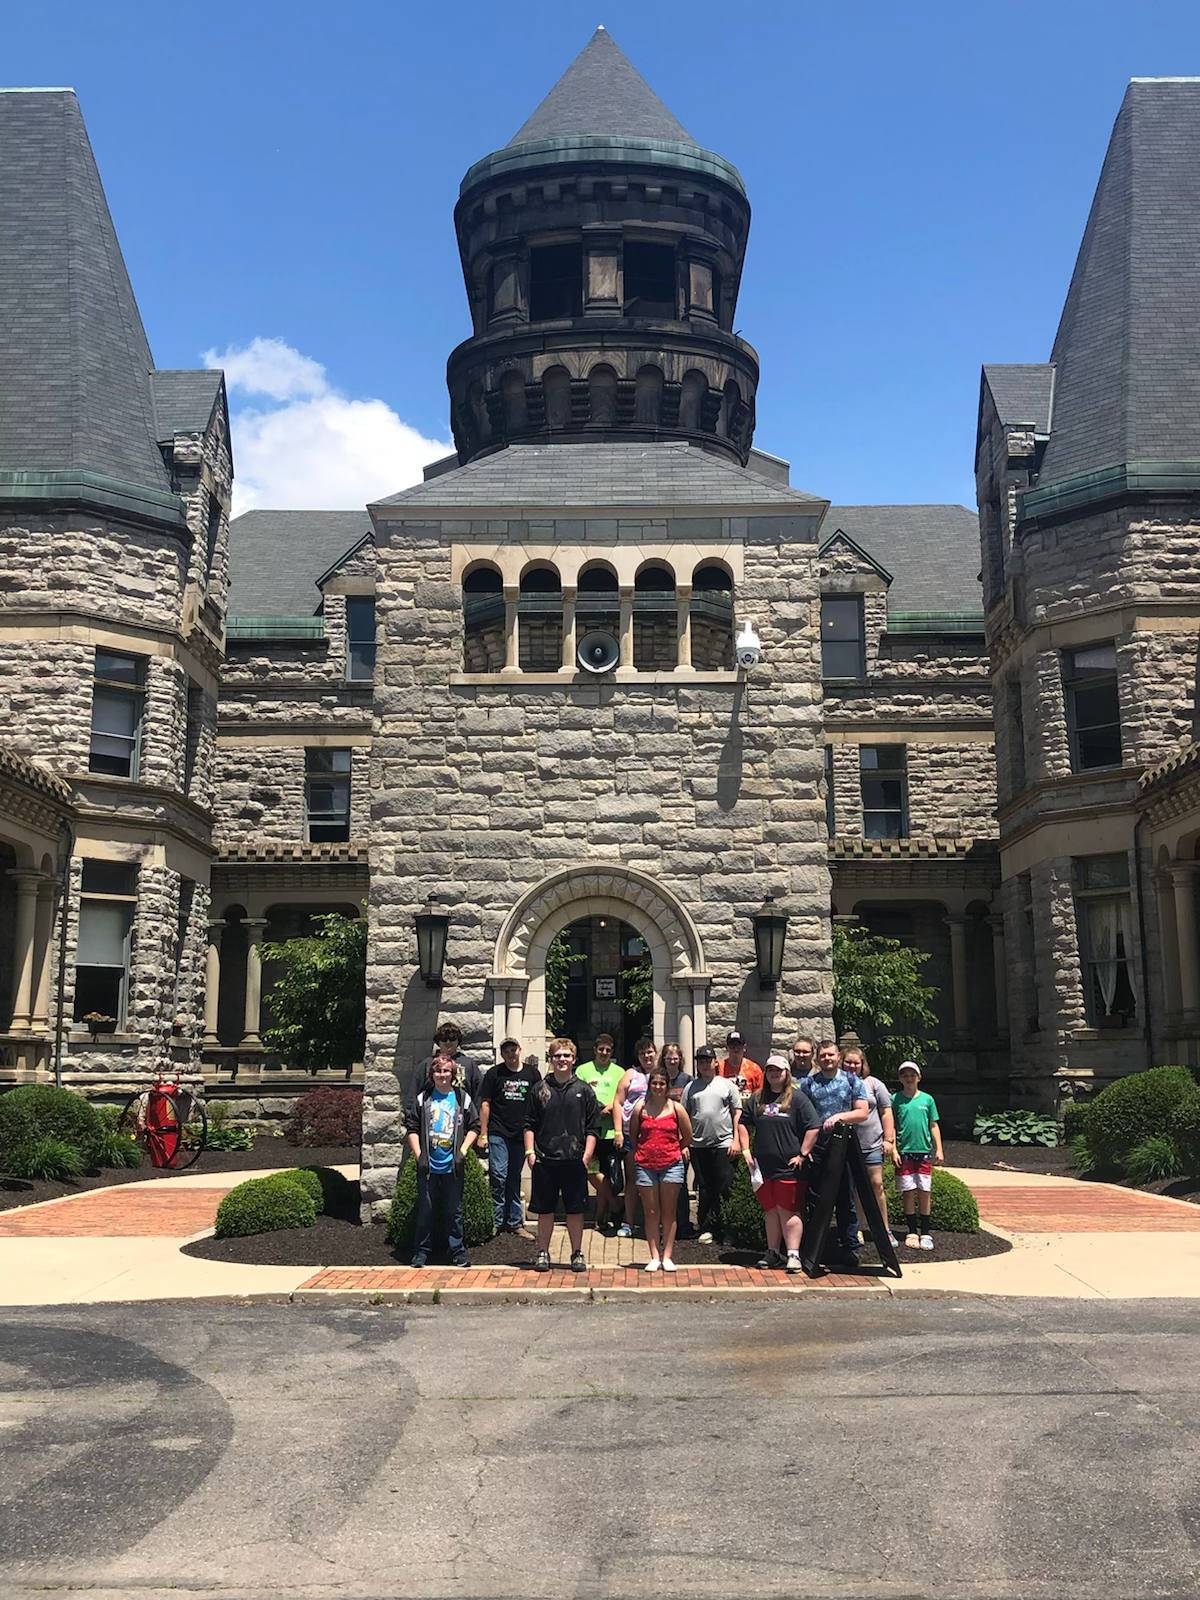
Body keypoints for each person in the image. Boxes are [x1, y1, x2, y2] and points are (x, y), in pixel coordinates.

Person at [524, 1037, 601, 1273]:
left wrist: (586, 1157)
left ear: (574, 1060)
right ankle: (543, 1252)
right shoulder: (539, 1090)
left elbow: (593, 1128)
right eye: (557, 1056)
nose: (562, 1060)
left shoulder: (584, 1090)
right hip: (545, 1160)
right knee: (545, 1211)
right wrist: (530, 1152)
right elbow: (528, 1124)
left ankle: (577, 1253)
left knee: (575, 1211)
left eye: (566, 1056)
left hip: (574, 1160)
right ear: (551, 1059)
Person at [742, 1054, 821, 1273]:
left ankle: (793, 1254)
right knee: (771, 1210)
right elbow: (742, 1123)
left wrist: (803, 1154)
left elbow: (814, 1127)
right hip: (763, 1167)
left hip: (789, 1167)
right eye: (770, 1070)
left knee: (789, 1211)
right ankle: (773, 1252)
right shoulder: (757, 1098)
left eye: (778, 1070)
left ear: (786, 1073)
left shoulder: (797, 1099)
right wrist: (746, 1150)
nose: (774, 1074)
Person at [405, 1054, 479, 1268]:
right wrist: (420, 1155)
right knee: (426, 1211)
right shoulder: (423, 1098)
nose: (442, 1075)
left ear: (452, 1074)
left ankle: (457, 1251)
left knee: (453, 1211)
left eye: (446, 1071)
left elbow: (474, 1126)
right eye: (438, 1071)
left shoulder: (461, 1097)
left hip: (452, 1166)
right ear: (432, 1074)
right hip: (429, 1166)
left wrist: (462, 1152)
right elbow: (412, 1128)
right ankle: (421, 1253)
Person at [799, 1040, 869, 1264]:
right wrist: (804, 1148)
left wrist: (838, 1117)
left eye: (830, 1055)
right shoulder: (809, 1084)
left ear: (838, 1056)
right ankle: (814, 1246)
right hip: (818, 1148)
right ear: (817, 1059)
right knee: (814, 1197)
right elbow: (802, 1118)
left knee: (845, 1197)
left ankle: (848, 1246)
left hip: (845, 1146)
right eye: (823, 1055)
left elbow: (862, 1112)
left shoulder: (851, 1081)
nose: (827, 1059)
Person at [629, 1062, 692, 1272]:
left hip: (671, 1164)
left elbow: (688, 1136)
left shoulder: (676, 1107)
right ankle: (654, 1256)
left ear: (667, 1085)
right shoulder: (641, 1108)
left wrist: (674, 1149)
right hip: (645, 1165)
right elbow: (634, 1135)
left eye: (662, 1083)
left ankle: (667, 1255)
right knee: (651, 1212)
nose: (657, 1086)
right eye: (654, 1083)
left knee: (669, 1212)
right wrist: (643, 1152)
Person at [478, 1038, 542, 1235]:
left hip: (521, 1133)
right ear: (502, 1053)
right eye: (506, 1050)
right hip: (498, 1132)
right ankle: (495, 1222)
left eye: (513, 1049)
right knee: (498, 1175)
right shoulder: (494, 1074)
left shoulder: (532, 1073)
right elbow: (485, 1103)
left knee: (514, 1177)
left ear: (519, 1050)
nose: (510, 1053)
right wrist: (483, 1133)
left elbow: (540, 1101)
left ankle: (515, 1222)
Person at [841, 1045, 899, 1249]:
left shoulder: (874, 1084)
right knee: (854, 1187)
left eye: (856, 1062)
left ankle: (884, 1229)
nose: (852, 1066)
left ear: (862, 1064)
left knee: (877, 1185)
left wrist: (889, 1139)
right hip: (849, 1144)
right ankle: (858, 1227)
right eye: (848, 1061)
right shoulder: (839, 1083)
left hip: (872, 1143)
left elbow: (886, 1111)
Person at [683, 1044, 742, 1244]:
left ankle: (729, 1229)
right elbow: (684, 1116)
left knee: (726, 1186)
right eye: (701, 1061)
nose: (705, 1064)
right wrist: (684, 1143)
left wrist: (736, 1140)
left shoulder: (726, 1085)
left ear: (715, 1062)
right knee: (705, 1187)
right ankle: (707, 1227)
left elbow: (737, 1113)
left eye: (708, 1060)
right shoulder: (690, 1088)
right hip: (698, 1146)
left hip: (724, 1144)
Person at [892, 1061, 943, 1251]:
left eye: (912, 1074)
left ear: (919, 1077)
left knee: (924, 1190)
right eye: (904, 1075)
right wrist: (894, 1149)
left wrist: (939, 1149)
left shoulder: (927, 1100)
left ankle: (926, 1232)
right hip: (904, 1152)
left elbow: (933, 1125)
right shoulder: (895, 1099)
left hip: (923, 1152)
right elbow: (893, 1125)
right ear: (900, 1078)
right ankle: (912, 1230)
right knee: (908, 1190)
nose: (908, 1078)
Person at [576, 1034, 624, 1234]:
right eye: (601, 1049)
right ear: (595, 1050)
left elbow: (622, 1097)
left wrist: (611, 1108)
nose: (604, 1053)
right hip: (589, 1132)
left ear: (612, 1052)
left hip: (612, 1132)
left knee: (612, 1178)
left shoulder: (619, 1071)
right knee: (591, 1171)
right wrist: (597, 1110)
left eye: (608, 1050)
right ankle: (615, 1206)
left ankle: (600, 1218)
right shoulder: (582, 1070)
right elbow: (579, 1095)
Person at [612, 1037, 657, 1238]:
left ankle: (653, 1224)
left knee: (654, 1181)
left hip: (655, 1135)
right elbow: (618, 1102)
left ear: (655, 1053)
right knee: (632, 1179)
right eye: (642, 1053)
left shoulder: (661, 1074)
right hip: (632, 1135)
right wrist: (618, 1131)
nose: (646, 1056)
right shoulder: (631, 1074)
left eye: (649, 1052)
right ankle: (628, 1222)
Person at [659, 1041, 695, 1239]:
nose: (672, 1059)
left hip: (680, 1140)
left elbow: (688, 1113)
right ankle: (663, 1224)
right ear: (663, 1059)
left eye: (675, 1056)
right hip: (660, 1139)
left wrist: (684, 1143)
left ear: (680, 1059)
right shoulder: (658, 1079)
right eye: (668, 1056)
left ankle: (683, 1223)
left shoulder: (687, 1080)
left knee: (679, 1184)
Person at [414, 1021, 484, 1103]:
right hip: (433, 1111)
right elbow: (414, 1093)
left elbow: (479, 1093)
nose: (448, 1042)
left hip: (461, 1112)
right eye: (444, 1039)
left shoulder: (469, 1065)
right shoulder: (427, 1064)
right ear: (438, 1042)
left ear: (458, 1041)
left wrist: (476, 1114)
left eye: (452, 1038)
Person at [719, 1030, 763, 1101]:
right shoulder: (719, 1067)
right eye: (732, 1046)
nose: (736, 1049)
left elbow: (760, 1094)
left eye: (739, 1046)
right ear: (727, 1048)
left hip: (747, 1109)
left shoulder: (755, 1069)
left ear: (744, 1047)